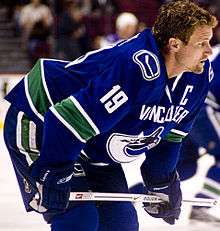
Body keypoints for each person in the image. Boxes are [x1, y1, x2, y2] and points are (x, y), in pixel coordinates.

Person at [3, 1, 217, 230]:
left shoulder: (198, 77)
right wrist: (54, 172)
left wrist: (162, 181)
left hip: (89, 141)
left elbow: (170, 137)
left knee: (121, 224)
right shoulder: (136, 69)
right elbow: (66, 121)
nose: (209, 51)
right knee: (79, 219)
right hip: (42, 120)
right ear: (174, 44)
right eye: (201, 43)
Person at [177, 43, 220, 222]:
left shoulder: (215, 49)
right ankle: (202, 205)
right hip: (203, 110)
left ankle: (133, 190)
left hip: (185, 107)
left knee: (184, 167)